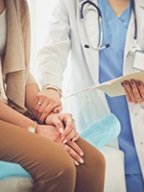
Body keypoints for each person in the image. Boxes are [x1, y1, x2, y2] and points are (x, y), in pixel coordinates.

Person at [36, 0, 144, 191]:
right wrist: (51, 87)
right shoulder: (72, 4)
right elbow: (53, 51)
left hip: (142, 134)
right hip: (94, 125)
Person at [0, 0, 106, 192]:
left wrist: (46, 114)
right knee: (59, 165)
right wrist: (34, 129)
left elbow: (21, 72)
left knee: (93, 164)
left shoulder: (16, 4)